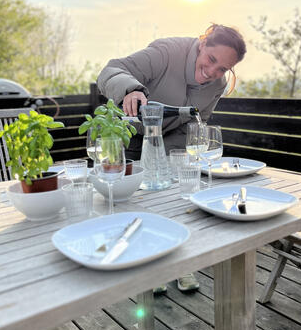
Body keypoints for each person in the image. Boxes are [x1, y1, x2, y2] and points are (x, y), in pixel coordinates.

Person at [97, 23, 246, 292]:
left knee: (174, 198)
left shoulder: (217, 85)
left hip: (167, 143)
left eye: (223, 68)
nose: (213, 72)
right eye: (211, 59)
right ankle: (146, 270)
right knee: (134, 206)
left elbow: (196, 124)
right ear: (203, 44)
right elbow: (110, 70)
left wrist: (167, 160)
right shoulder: (167, 52)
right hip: (128, 137)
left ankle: (179, 264)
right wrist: (131, 89)